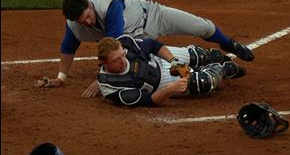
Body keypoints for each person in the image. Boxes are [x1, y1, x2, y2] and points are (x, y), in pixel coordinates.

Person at [35, 0, 254, 92]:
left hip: (153, 16)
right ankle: (212, 65)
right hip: (139, 40)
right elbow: (67, 48)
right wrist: (61, 77)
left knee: (202, 27)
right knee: (160, 73)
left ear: (90, 5)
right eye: (82, 22)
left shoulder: (108, 6)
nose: (87, 22)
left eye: (88, 17)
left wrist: (102, 78)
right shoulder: (74, 25)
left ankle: (226, 45)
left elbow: (115, 41)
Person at [94, 35, 247, 106]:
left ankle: (214, 59)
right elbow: (148, 100)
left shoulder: (126, 44)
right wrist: (170, 90)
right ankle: (224, 69)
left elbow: (153, 45)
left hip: (161, 60)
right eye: (116, 59)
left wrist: (175, 63)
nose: (123, 60)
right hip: (162, 84)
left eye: (123, 55)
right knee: (202, 83)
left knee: (199, 55)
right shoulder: (111, 86)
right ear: (103, 62)